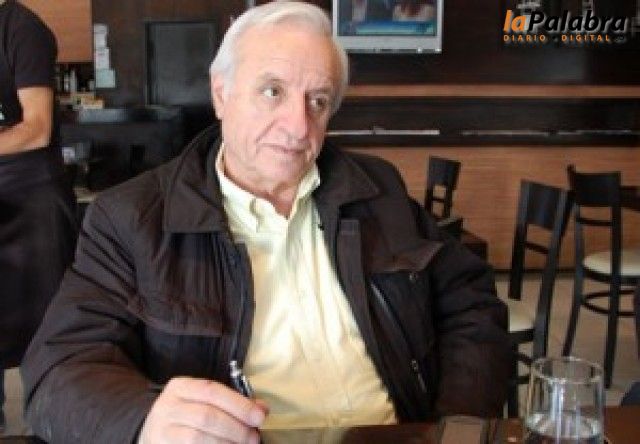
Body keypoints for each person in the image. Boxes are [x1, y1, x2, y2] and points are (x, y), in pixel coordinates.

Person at [21, 2, 509, 443]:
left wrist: (458, 426)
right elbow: (59, 370)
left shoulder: (376, 189)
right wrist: (142, 419)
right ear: (221, 94)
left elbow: (472, 304)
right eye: (272, 91)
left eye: (318, 101)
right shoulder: (131, 218)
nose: (298, 126)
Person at [0, 0, 76, 431]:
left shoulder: (21, 29)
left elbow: (37, 128)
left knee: (44, 335)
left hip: (31, 201)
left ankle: (48, 427)